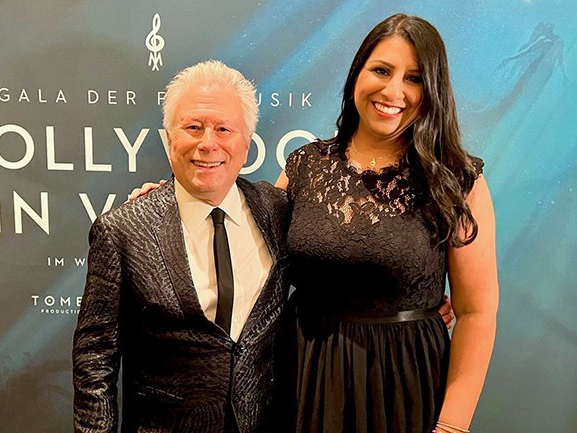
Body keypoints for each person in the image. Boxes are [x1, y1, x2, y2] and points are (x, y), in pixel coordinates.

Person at [275, 13, 499, 433]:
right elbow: (244, 236)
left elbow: (477, 312)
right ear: (357, 73)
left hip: (402, 382)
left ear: (432, 90)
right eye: (381, 70)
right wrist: (169, 200)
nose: (393, 91)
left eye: (413, 78)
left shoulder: (457, 181)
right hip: (303, 373)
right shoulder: (303, 166)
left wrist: (452, 424)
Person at [72, 60, 292, 433]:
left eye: (224, 128)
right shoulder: (122, 231)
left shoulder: (278, 210)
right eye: (193, 127)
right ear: (170, 136)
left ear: (246, 141)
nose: (208, 143)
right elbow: (95, 360)